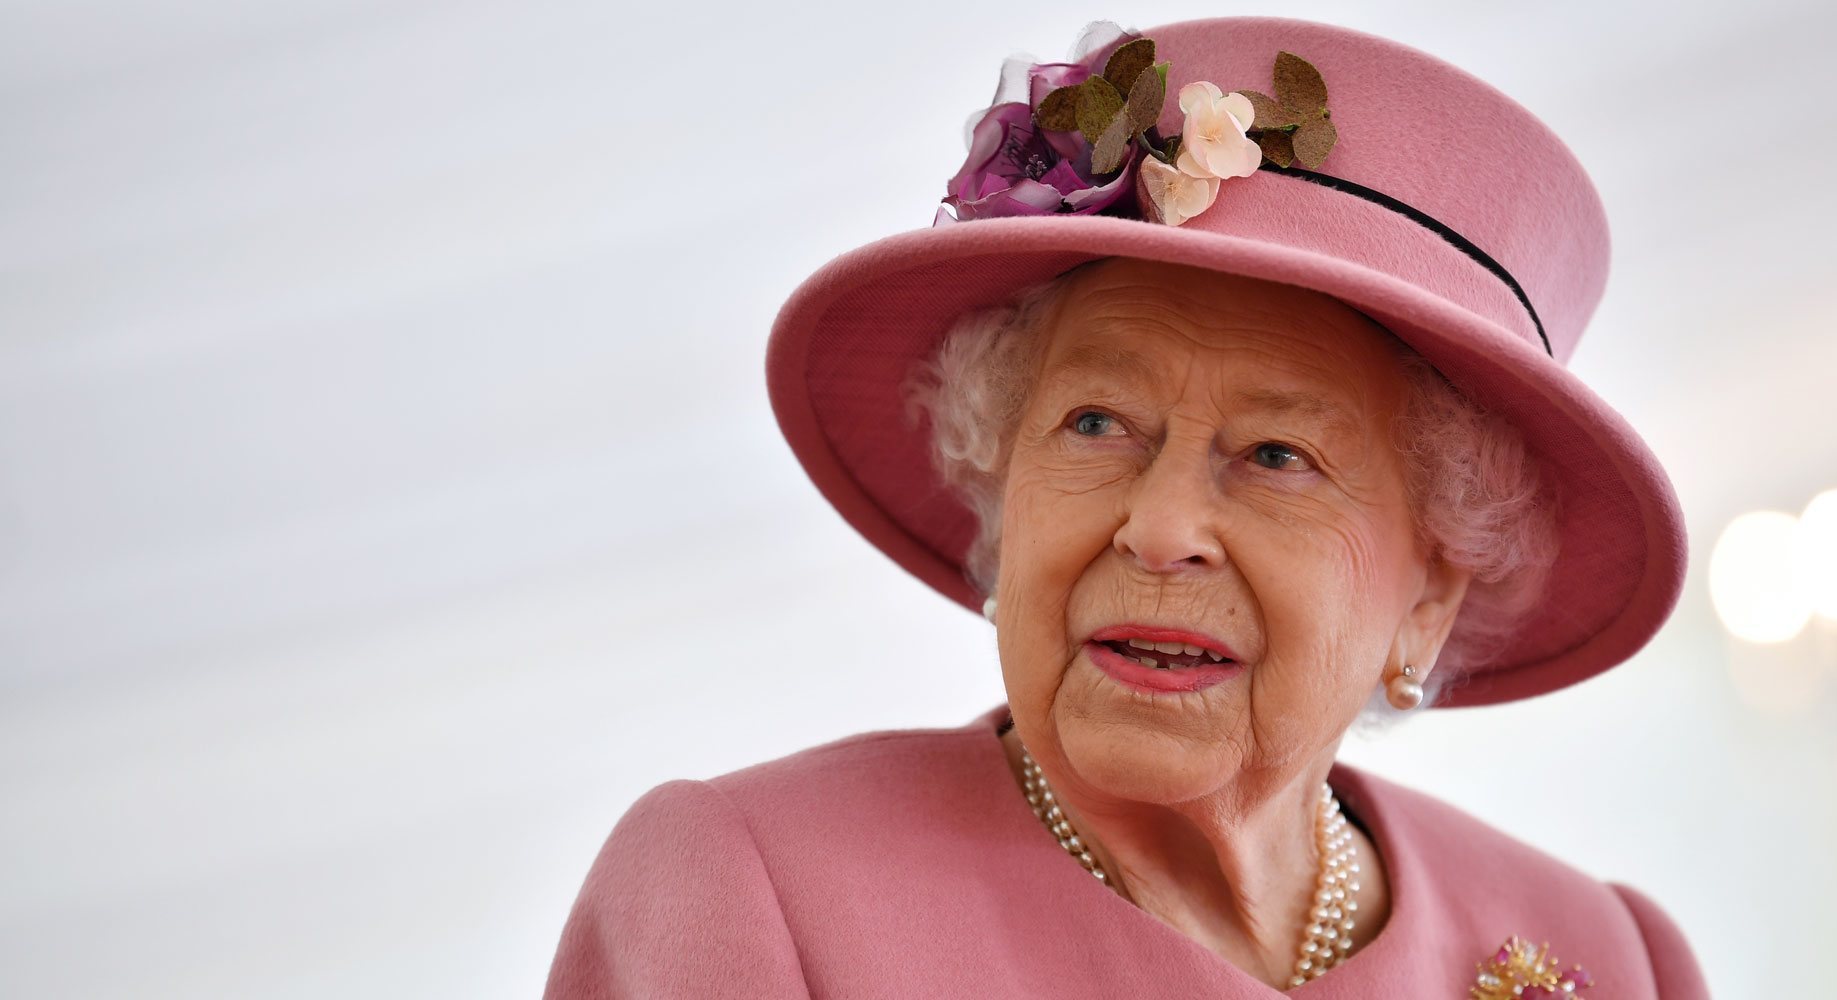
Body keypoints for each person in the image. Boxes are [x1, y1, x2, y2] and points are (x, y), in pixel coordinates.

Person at [544, 16, 1707, 998]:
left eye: (1275, 453)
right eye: (1095, 425)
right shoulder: (753, 893)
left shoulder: (1611, 956)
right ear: (1002, 491)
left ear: (1432, 589)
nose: (1157, 528)